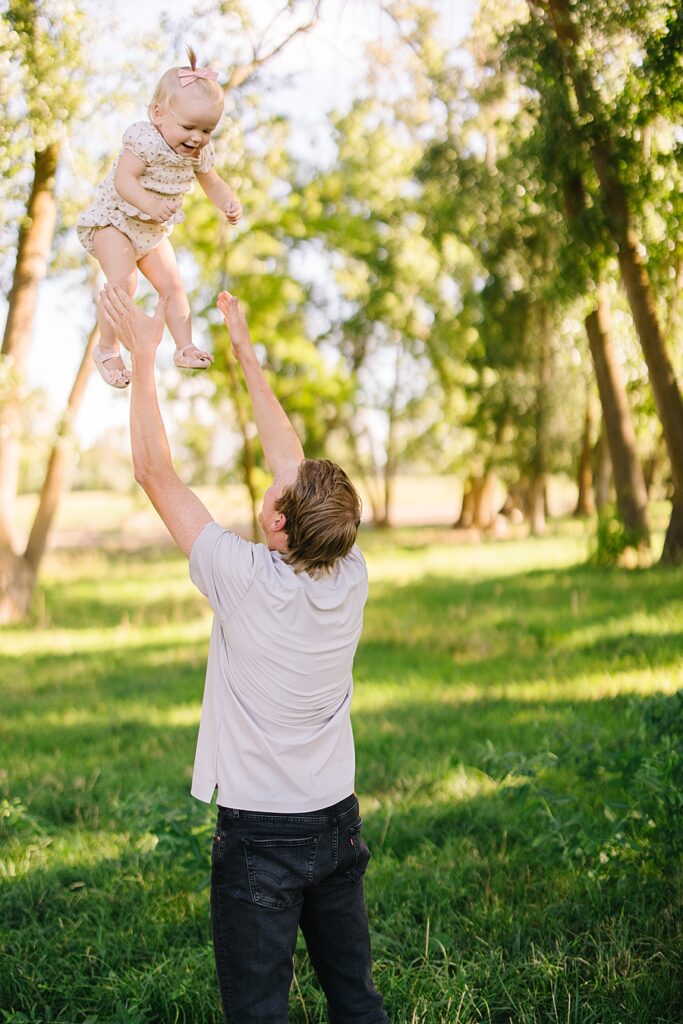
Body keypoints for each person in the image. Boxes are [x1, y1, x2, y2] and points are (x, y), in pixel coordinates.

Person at [98, 283, 390, 1024]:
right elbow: (291, 463)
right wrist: (244, 354)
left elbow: (155, 475)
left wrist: (143, 355)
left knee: (258, 1012)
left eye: (276, 497)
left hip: (260, 834)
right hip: (334, 821)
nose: (272, 481)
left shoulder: (242, 580)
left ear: (280, 531)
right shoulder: (348, 572)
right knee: (354, 999)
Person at [78, 48, 242, 389]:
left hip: (151, 232)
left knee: (172, 285)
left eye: (207, 130)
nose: (197, 138)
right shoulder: (145, 140)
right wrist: (151, 205)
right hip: (114, 221)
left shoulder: (198, 153)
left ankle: (184, 347)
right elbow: (124, 181)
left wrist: (229, 202)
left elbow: (212, 182)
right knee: (124, 283)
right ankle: (107, 349)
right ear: (158, 114)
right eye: (188, 127)